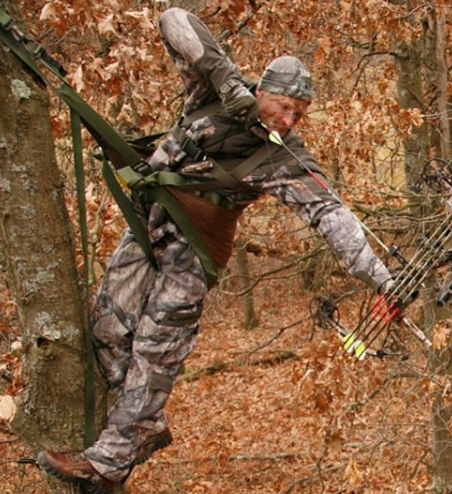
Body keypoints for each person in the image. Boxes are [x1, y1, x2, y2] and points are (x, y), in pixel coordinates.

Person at [37, 7, 393, 494]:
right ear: (262, 90)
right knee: (105, 329)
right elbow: (174, 19)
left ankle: (107, 463)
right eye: (285, 107)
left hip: (195, 251)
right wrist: (226, 82)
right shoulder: (213, 94)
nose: (289, 121)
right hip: (150, 223)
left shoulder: (285, 157)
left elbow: (331, 215)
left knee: (155, 349)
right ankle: (145, 421)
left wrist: (380, 276)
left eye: (299, 114)